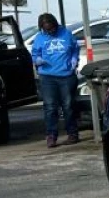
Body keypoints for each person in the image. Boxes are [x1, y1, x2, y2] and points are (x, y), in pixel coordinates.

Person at [31, 13, 80, 148]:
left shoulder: (66, 33)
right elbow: (34, 55)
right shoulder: (39, 38)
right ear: (42, 28)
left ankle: (72, 133)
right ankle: (51, 135)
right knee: (50, 106)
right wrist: (37, 60)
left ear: (55, 25)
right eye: (47, 30)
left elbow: (75, 48)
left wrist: (74, 59)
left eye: (52, 28)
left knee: (68, 105)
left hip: (66, 75)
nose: (50, 31)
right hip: (48, 77)